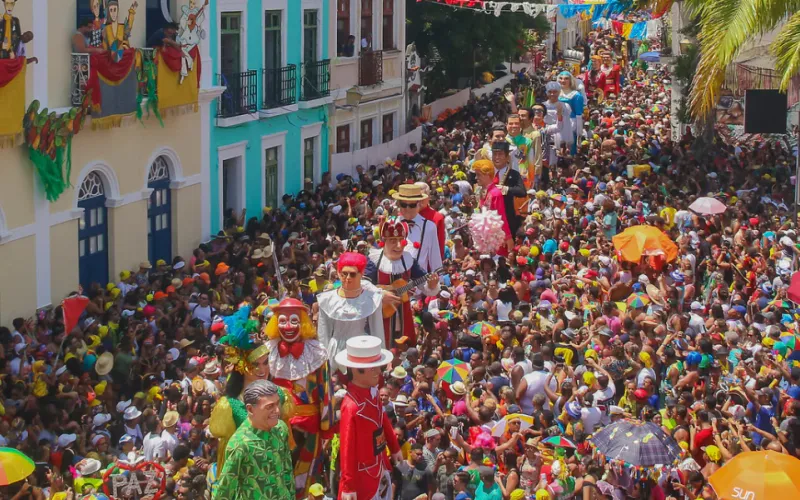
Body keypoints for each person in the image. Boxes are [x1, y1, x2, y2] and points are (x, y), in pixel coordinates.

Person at [265, 298, 332, 498]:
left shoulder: (317, 352)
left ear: (302, 322)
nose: (288, 326)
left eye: (294, 321)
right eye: (282, 321)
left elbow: (326, 392)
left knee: (307, 475)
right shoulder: (268, 351)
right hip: (277, 426)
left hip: (310, 426)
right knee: (278, 472)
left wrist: (327, 430)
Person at [336, 336, 402, 500]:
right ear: (357, 370)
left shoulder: (373, 394)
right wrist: (348, 485)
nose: (378, 372)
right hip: (363, 476)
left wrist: (394, 447)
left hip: (380, 466)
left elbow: (382, 420)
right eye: (373, 369)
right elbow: (347, 448)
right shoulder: (351, 406)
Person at [214, 380, 294, 499]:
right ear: (250, 409)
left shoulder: (281, 429)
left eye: (277, 404)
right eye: (269, 406)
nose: (277, 411)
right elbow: (224, 490)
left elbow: (287, 472)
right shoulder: (240, 444)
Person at [317, 252, 385, 373]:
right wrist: (322, 361)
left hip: (361, 347)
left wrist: (381, 358)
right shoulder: (327, 299)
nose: (348, 278)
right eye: (344, 274)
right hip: (334, 349)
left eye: (353, 274)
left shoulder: (372, 299)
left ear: (361, 274)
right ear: (338, 273)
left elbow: (377, 330)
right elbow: (323, 333)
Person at [394, 184, 443, 273]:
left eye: (412, 205)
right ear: (398, 204)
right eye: (403, 205)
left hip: (418, 283)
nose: (407, 209)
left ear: (419, 204)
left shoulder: (429, 227)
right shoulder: (392, 224)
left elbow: (435, 260)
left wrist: (439, 282)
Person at [473, 159, 513, 255]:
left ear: (487, 175)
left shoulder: (495, 193)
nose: (476, 178)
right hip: (485, 239)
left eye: (478, 175)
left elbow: (501, 217)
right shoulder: (484, 192)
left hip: (496, 240)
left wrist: (508, 238)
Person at [490, 141, 526, 238]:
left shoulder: (513, 174)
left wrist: (506, 189)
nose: (497, 157)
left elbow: (522, 192)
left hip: (507, 217)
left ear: (507, 157)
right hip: (489, 217)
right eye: (495, 154)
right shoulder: (487, 172)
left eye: (500, 154)